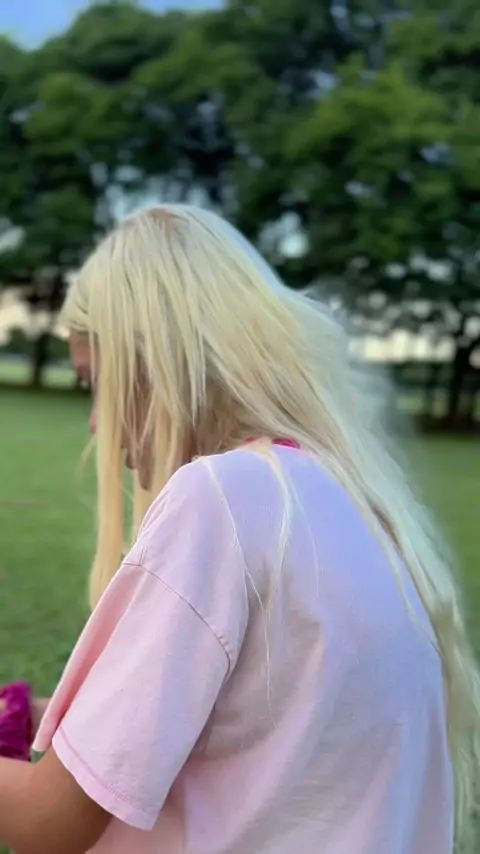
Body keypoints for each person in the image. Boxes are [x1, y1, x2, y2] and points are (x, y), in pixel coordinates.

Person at [0, 204, 478, 854]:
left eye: (95, 384)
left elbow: (44, 824)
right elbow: (256, 740)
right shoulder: (352, 499)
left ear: (153, 363)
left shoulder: (223, 499)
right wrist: (33, 715)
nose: (95, 422)